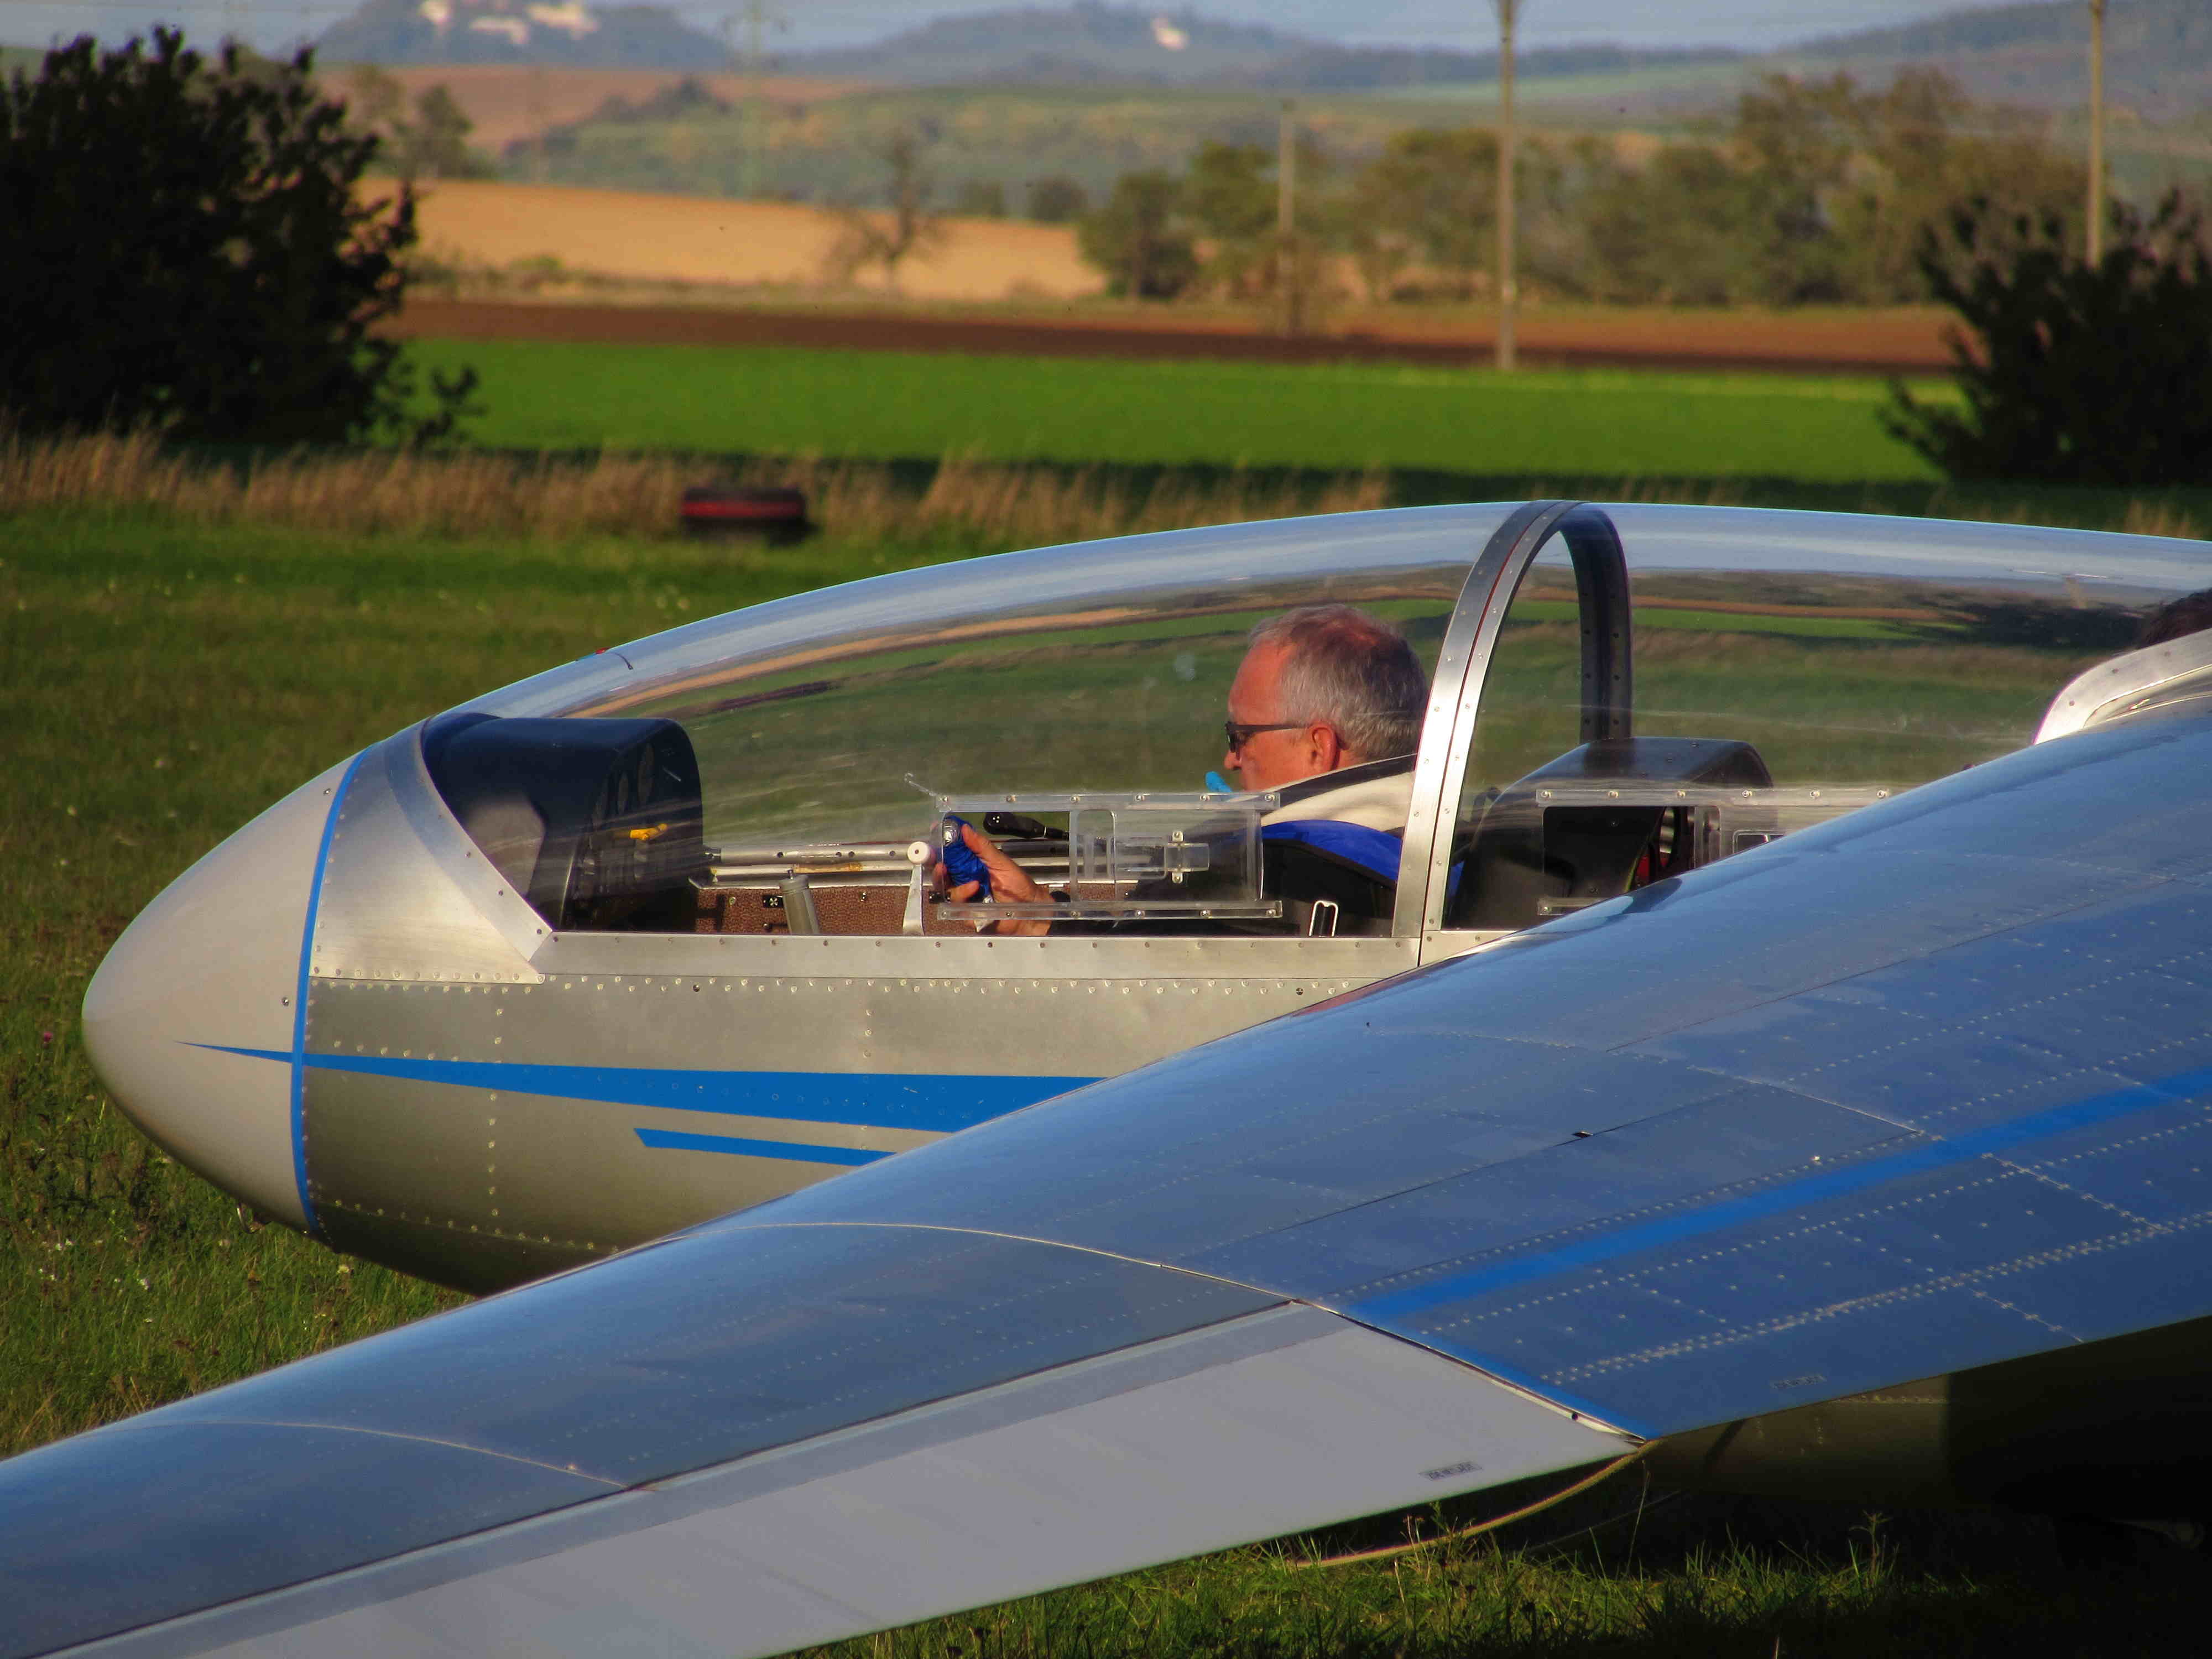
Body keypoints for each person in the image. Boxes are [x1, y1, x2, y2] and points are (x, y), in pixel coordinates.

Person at [941, 604, 1429, 936]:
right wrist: (1034, 915)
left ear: (1318, 748)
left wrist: (1039, 922)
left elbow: (1127, 971)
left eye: (1240, 736)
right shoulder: (1443, 847)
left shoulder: (1263, 873)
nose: (1230, 760)